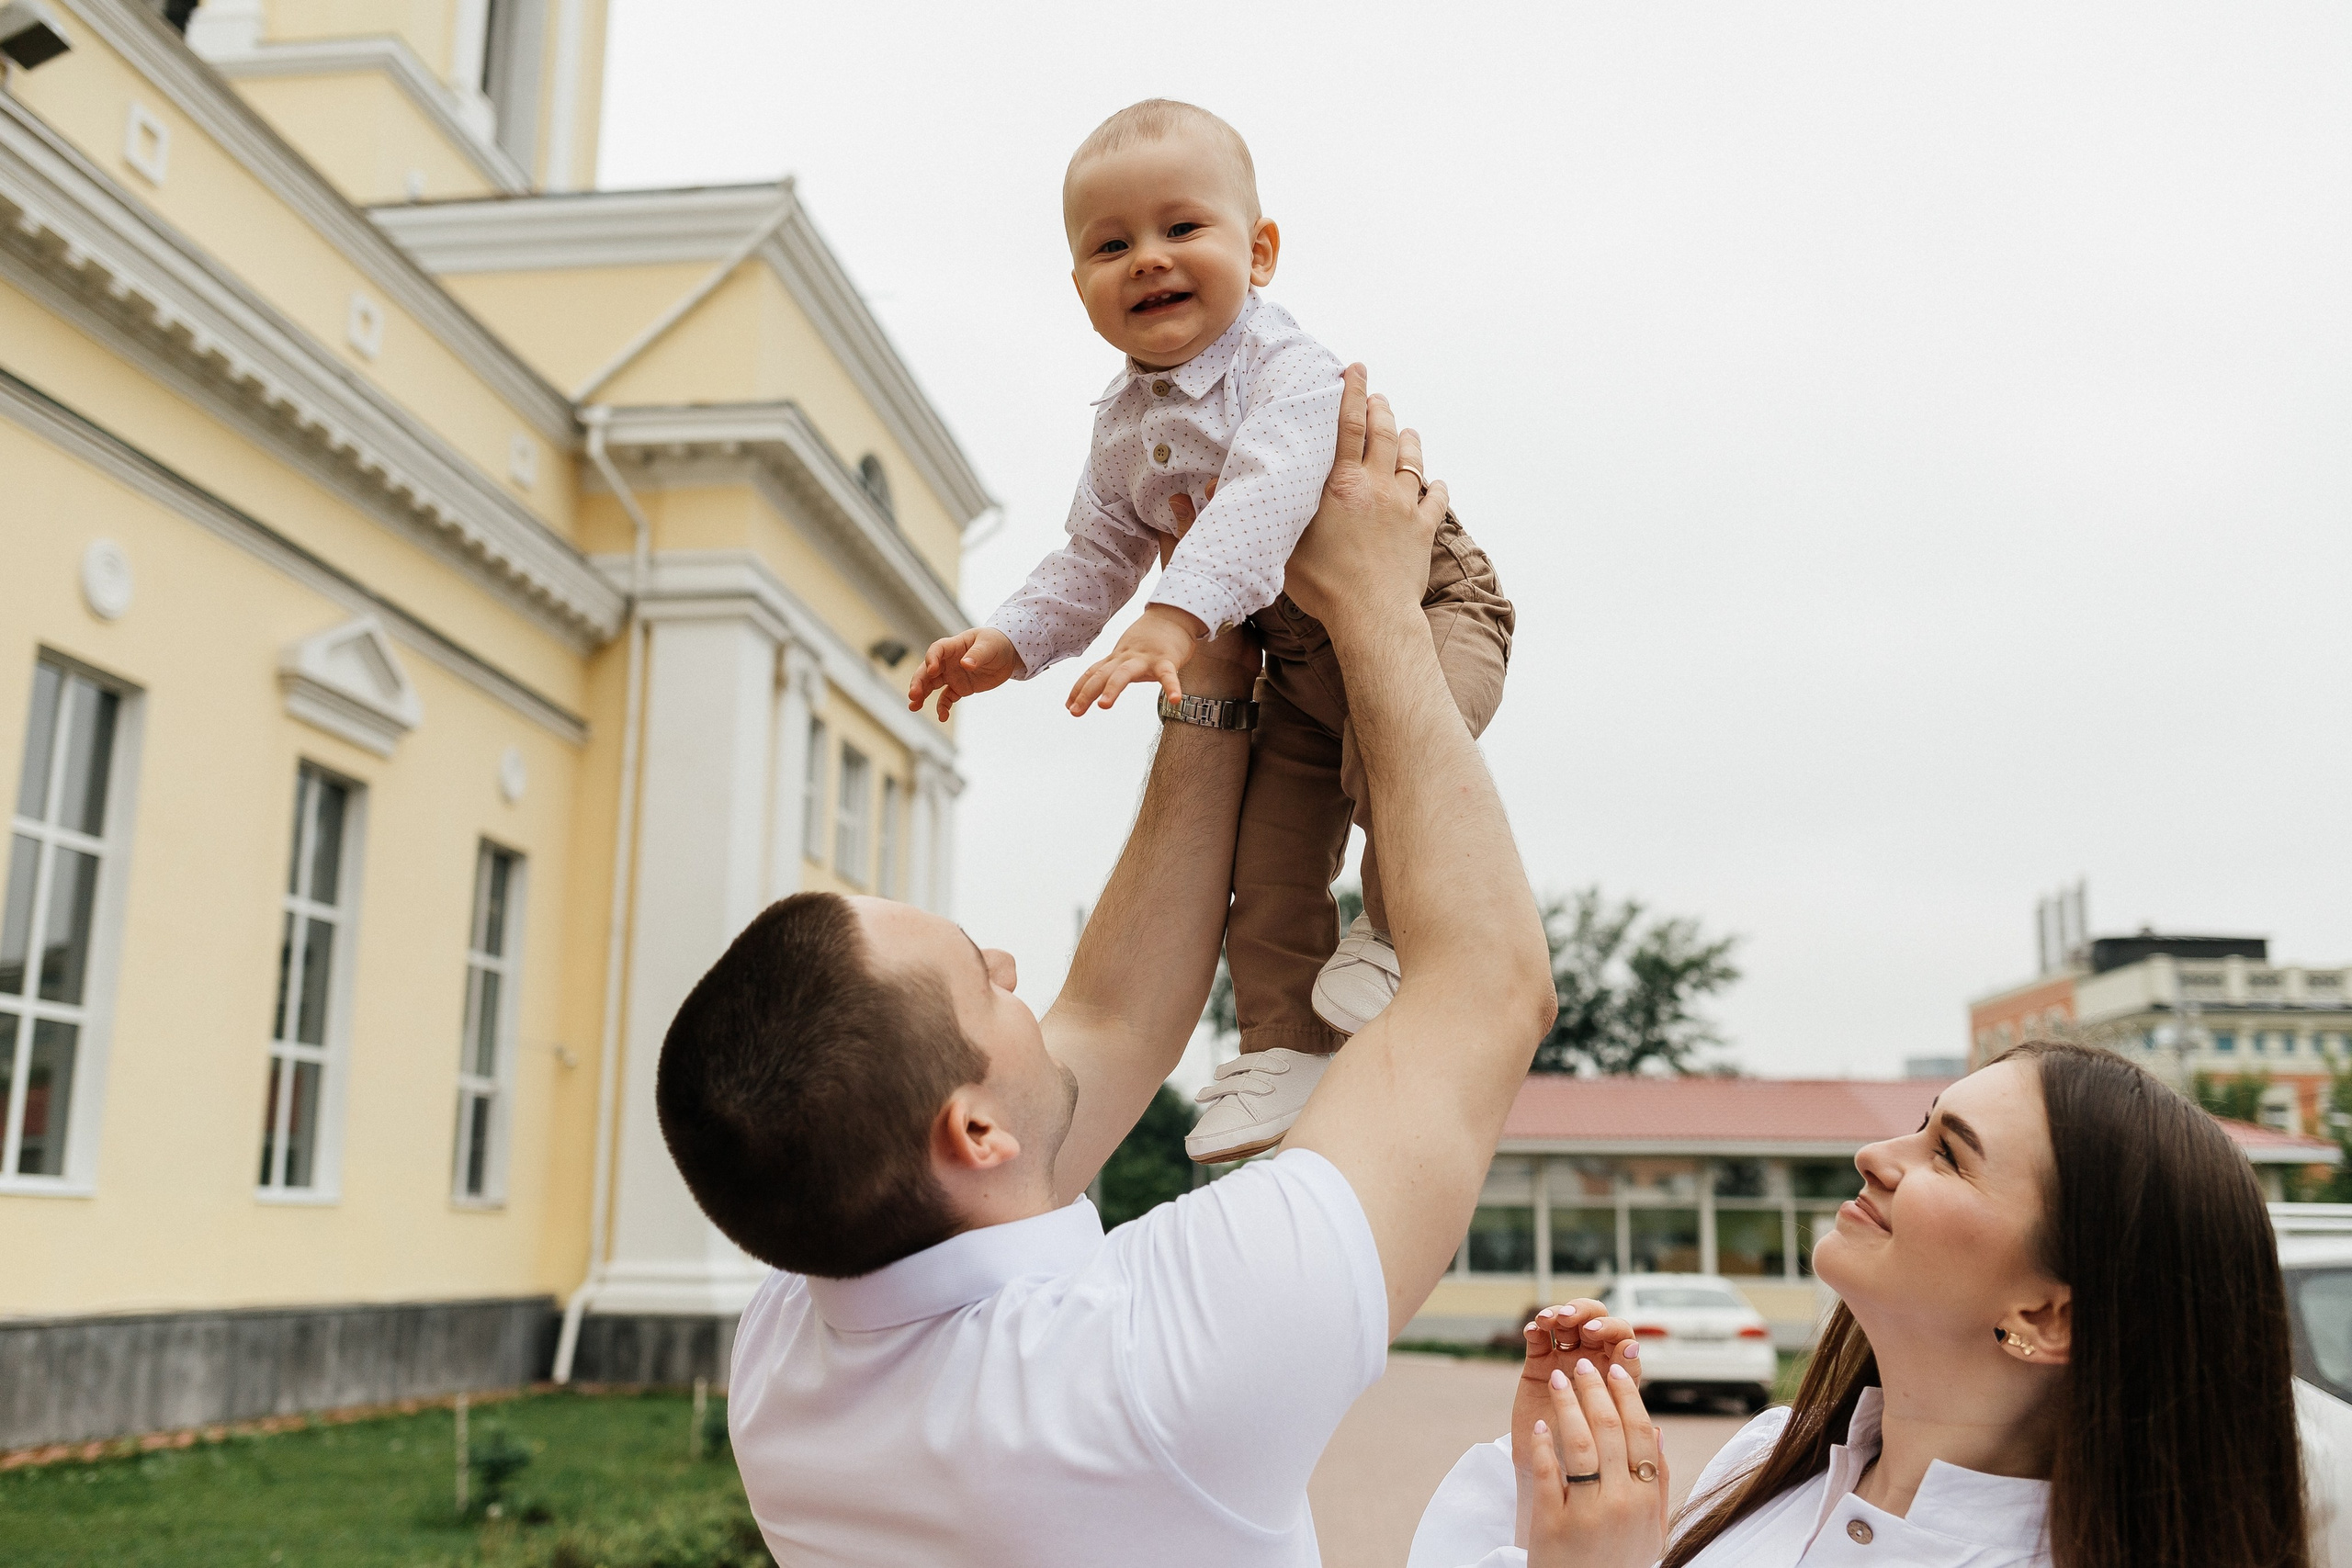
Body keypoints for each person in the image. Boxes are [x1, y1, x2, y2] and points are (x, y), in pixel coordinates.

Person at [655, 371, 1592, 1568]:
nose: (1010, 961)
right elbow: (1486, 991)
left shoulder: (794, 1349)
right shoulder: (1155, 1359)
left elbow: (1110, 1013)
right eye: (982, 979)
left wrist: (1206, 661)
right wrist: (1373, 602)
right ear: (975, 1131)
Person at [904, 98, 1516, 1162]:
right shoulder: (1123, 428)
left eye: (1181, 229)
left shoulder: (1285, 368)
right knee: (1269, 860)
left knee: (1404, 767)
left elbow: (1270, 498)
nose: (1147, 259)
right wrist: (1010, 641)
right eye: (1110, 244)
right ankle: (1283, 1045)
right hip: (1291, 660)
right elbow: (1095, 553)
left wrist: (1173, 618)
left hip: (1426, 611)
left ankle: (1398, 930)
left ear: (1260, 251)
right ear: (1079, 285)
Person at [1408, 1041, 2318, 1568]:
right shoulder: (1770, 1456)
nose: (1876, 1154)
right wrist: (1556, 1486)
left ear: (2050, 1317)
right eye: (1918, 1124)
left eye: (1949, 1155)